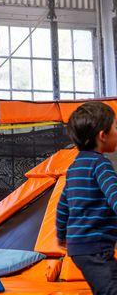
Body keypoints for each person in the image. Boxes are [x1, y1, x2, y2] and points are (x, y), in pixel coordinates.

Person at [56, 101, 117, 294]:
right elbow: (114, 195)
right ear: (103, 135)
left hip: (79, 247)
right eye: (116, 127)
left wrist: (61, 235)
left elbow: (63, 205)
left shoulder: (74, 167)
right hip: (96, 247)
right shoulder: (101, 165)